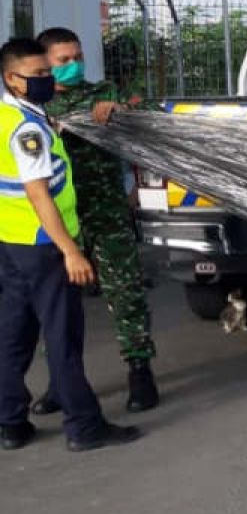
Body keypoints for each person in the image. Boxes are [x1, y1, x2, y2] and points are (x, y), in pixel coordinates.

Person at [0, 38, 140, 451]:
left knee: (15, 333)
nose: (48, 80)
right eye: (39, 74)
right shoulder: (28, 129)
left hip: (13, 241)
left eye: (48, 70)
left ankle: (10, 422)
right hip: (45, 244)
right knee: (62, 335)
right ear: (12, 78)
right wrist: (71, 250)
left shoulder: (13, 115)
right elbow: (39, 193)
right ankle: (84, 425)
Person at [29, 27, 159, 415]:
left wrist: (122, 112)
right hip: (59, 218)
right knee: (57, 303)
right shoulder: (35, 105)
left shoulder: (102, 94)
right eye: (63, 60)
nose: (73, 66)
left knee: (125, 291)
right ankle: (61, 379)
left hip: (106, 213)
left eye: (77, 57)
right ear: (45, 63)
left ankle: (139, 369)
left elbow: (149, 115)